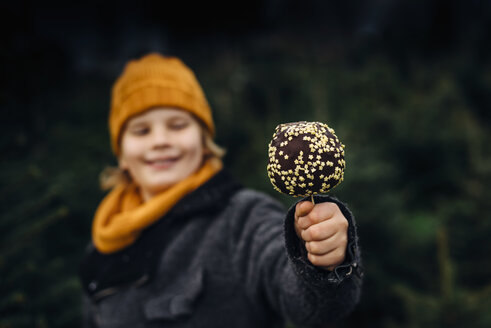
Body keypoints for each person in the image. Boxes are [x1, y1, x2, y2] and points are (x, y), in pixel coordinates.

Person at [79, 53, 363, 328]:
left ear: (204, 140)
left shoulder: (244, 218)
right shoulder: (105, 241)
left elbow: (309, 306)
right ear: (121, 153)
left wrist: (324, 262)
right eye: (141, 131)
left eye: (177, 125)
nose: (160, 141)